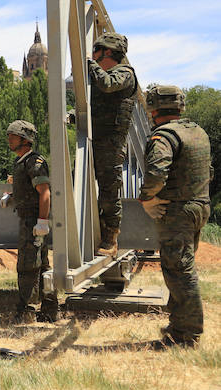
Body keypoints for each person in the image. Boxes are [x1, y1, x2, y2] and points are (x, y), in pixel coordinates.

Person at [139, 85, 212, 349]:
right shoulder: (197, 132)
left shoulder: (164, 136)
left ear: (153, 108)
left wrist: (147, 198)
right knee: (181, 267)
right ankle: (178, 325)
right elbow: (208, 170)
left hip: (178, 211)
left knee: (179, 270)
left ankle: (186, 336)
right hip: (199, 206)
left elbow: (157, 172)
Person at [0, 120, 59, 323]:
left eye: (12, 136)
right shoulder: (22, 162)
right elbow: (30, 192)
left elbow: (45, 193)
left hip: (32, 221)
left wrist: (42, 222)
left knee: (28, 265)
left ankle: (27, 312)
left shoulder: (34, 162)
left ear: (24, 140)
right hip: (29, 219)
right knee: (41, 265)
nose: (9, 139)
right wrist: (12, 196)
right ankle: (50, 310)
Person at [87, 32, 138, 256]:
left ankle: (111, 236)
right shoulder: (101, 74)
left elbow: (108, 85)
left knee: (109, 188)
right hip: (93, 138)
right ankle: (89, 227)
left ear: (107, 51)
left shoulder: (124, 73)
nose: (93, 55)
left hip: (112, 141)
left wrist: (90, 65)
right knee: (81, 181)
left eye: (96, 50)